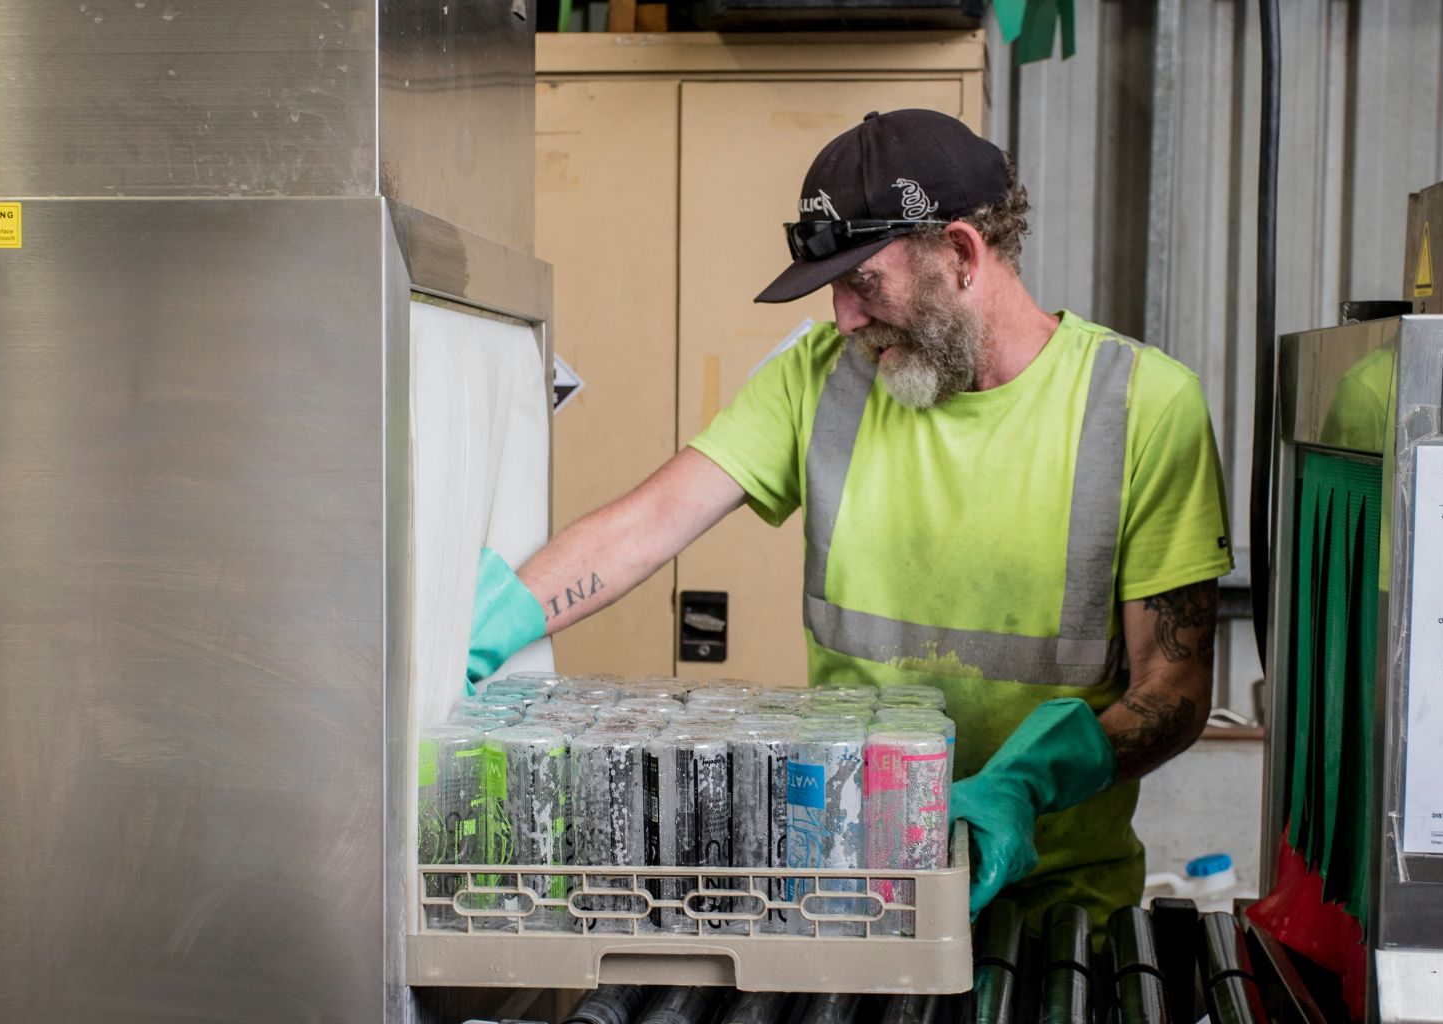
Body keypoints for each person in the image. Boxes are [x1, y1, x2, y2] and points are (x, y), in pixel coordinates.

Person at [465, 109, 1232, 929]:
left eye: (863, 283)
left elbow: (1175, 687)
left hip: (1060, 907)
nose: (843, 319)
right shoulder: (824, 379)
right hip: (853, 891)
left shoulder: (1143, 406)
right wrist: (475, 628)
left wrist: (1028, 782)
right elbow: (648, 523)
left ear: (962, 255)